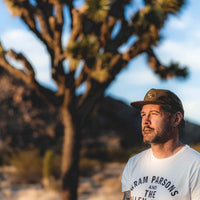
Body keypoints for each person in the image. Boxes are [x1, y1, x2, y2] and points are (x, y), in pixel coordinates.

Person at [121, 88, 200, 200]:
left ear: (176, 119)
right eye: (143, 115)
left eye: (154, 113)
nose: (146, 121)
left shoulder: (195, 166)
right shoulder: (133, 163)